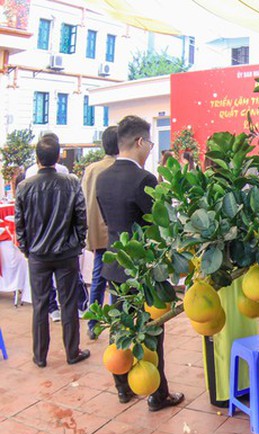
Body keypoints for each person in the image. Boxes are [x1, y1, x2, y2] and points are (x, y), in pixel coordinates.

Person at [96, 115, 184, 411]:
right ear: (139, 142)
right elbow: (159, 226)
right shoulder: (144, 179)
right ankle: (157, 394)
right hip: (144, 271)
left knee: (120, 326)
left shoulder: (103, 176)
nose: (149, 149)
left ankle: (123, 387)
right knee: (151, 330)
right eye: (148, 143)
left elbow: (110, 222)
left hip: (115, 264)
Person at [15, 134, 90, 367]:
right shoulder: (70, 182)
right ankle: (71, 352)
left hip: (39, 254)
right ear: (58, 157)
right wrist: (78, 243)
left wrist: (27, 249)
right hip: (65, 253)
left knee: (40, 305)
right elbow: (81, 217)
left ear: (37, 158)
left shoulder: (25, 187)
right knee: (68, 303)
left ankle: (40, 356)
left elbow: (20, 225)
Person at [81, 125, 118, 340]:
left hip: (97, 235)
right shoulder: (118, 167)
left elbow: (86, 201)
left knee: (98, 279)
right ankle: (115, 325)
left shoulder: (91, 169)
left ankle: (93, 324)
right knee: (116, 283)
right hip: (115, 234)